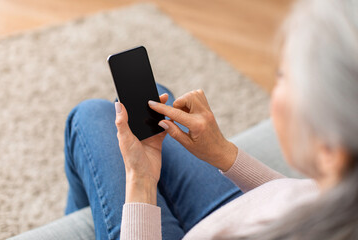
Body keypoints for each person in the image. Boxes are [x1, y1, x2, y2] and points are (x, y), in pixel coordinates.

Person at [64, 0, 358, 239]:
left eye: (283, 77)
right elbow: (300, 202)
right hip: (247, 210)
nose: (275, 87)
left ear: (331, 151)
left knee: (90, 116)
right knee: (158, 101)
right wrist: (223, 153)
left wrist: (140, 180)